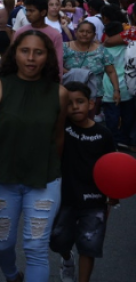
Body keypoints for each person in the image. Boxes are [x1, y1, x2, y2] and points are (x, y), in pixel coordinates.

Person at [0, 30, 69, 282]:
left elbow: (58, 137)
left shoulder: (60, 93)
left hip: (44, 182)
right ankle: (11, 275)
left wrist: (53, 171)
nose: (31, 58)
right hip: (1, 180)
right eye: (24, 51)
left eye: (38, 52)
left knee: (36, 248)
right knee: (2, 243)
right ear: (14, 54)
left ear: (47, 57)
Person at [51, 82, 117, 282]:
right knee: (58, 241)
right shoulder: (64, 128)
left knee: (89, 244)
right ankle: (66, 258)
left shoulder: (104, 134)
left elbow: (113, 167)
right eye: (69, 103)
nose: (75, 107)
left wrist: (112, 195)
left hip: (94, 200)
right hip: (66, 197)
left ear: (90, 104)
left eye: (80, 102)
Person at [98, 22, 134, 149]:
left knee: (112, 117)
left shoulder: (103, 50)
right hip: (127, 87)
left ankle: (113, 140)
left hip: (109, 88)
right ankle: (124, 139)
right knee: (127, 117)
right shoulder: (129, 48)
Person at [15, 0, 65, 75]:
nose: (28, 14)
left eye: (32, 11)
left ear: (43, 12)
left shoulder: (55, 35)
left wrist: (57, 83)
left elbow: (58, 62)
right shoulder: (20, 32)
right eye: (27, 10)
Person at [63, 21, 106, 105]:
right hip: (69, 91)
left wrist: (116, 90)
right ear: (76, 33)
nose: (85, 34)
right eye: (81, 31)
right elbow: (56, 66)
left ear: (94, 35)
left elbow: (111, 71)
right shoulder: (64, 47)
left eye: (88, 32)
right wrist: (76, 74)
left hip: (95, 94)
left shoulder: (102, 50)